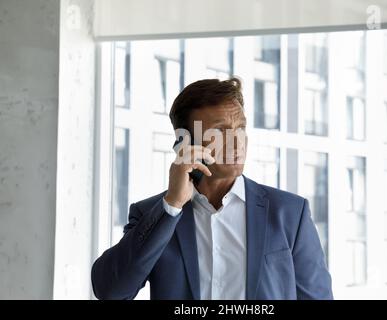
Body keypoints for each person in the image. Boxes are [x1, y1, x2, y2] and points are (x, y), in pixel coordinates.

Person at [91, 77, 333, 300]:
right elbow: (110, 291)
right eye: (219, 131)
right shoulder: (153, 215)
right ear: (186, 141)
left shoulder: (290, 213)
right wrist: (172, 206)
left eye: (240, 128)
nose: (237, 141)